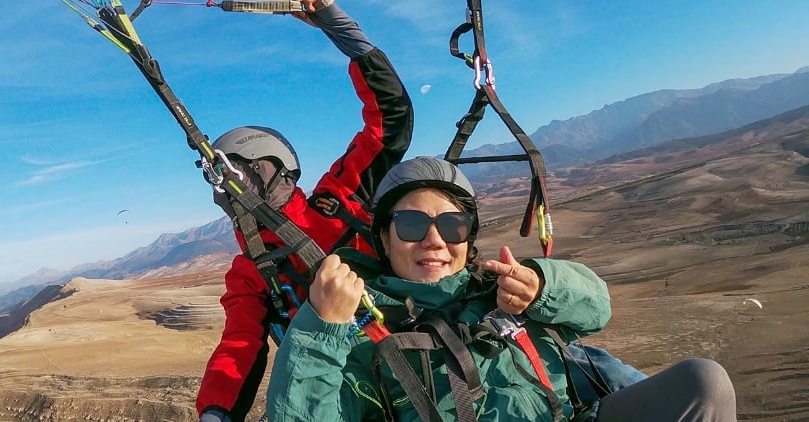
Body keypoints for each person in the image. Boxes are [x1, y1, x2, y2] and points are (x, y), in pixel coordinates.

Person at [265, 156, 737, 421]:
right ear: (384, 238)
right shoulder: (358, 329)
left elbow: (597, 309)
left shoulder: (501, 290)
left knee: (705, 383)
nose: (434, 239)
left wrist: (545, 287)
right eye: (411, 224)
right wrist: (319, 327)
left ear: (467, 236)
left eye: (451, 225)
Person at [195, 1, 414, 421]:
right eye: (220, 180)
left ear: (272, 169)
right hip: (337, 389)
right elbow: (239, 345)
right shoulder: (251, 270)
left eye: (237, 173)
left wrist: (342, 31)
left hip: (415, 346)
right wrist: (216, 411)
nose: (228, 187)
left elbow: (388, 123)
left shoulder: (339, 199)